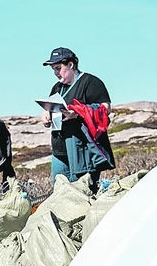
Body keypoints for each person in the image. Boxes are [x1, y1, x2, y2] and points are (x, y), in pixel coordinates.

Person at [41, 47, 115, 193]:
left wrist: (78, 113)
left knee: (84, 191)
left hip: (83, 149)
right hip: (60, 149)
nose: (55, 73)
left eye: (58, 68)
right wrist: (45, 114)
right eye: (53, 69)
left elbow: (105, 108)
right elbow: (48, 107)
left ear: (71, 64)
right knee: (59, 191)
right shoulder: (57, 88)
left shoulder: (91, 82)